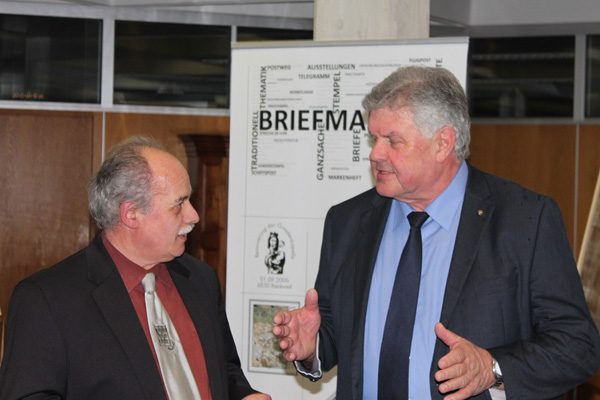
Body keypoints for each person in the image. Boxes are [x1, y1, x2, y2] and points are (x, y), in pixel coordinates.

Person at [272, 66, 600, 400]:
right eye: (374, 139)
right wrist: (313, 345)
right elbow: (337, 332)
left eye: (392, 141)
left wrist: (492, 368)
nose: (374, 154)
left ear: (443, 143)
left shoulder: (524, 220)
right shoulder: (347, 222)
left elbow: (578, 346)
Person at [0, 136, 270, 400]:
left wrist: (245, 395)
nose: (194, 216)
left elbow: (224, 370)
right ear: (131, 214)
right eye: (179, 204)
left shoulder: (201, 279)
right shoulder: (46, 300)